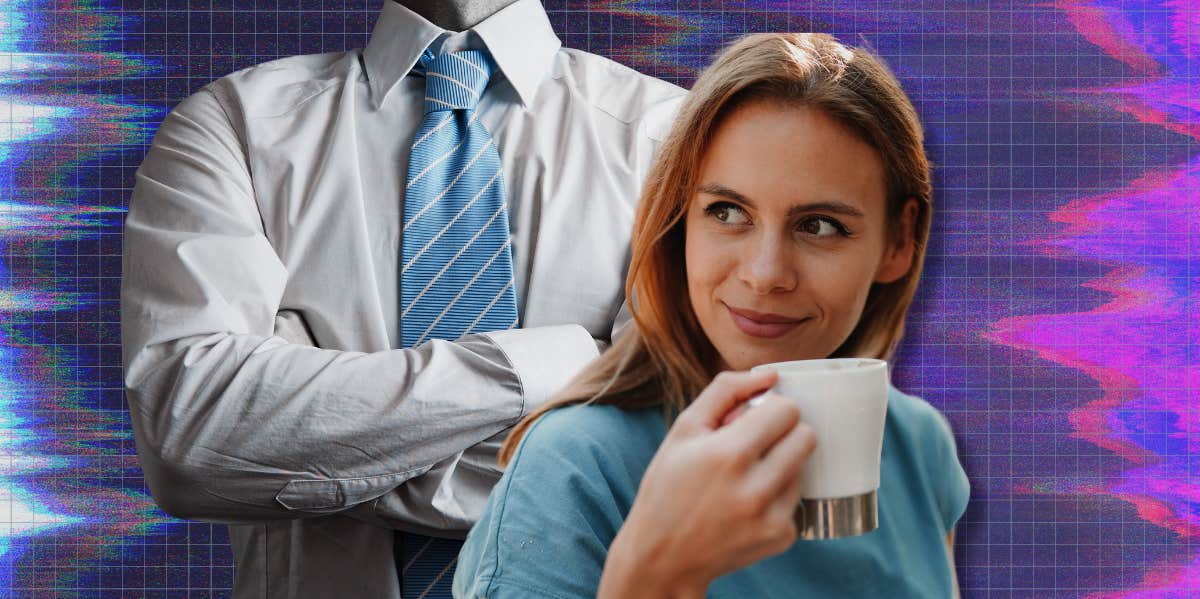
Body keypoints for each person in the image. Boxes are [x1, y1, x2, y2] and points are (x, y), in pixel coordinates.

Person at [119, 0, 684, 596]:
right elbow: (192, 441)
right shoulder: (233, 125)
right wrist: (561, 363)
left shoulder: (679, 136)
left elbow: (655, 462)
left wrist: (314, 438)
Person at [453, 32, 970, 598]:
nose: (765, 273)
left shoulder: (919, 445)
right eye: (727, 212)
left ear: (899, 241)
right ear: (679, 224)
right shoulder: (576, 463)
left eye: (819, 225)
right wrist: (657, 572)